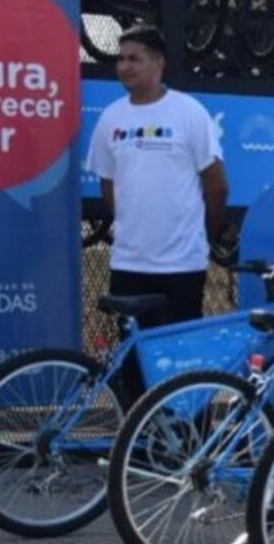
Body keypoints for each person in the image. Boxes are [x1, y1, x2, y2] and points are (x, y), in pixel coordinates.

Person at [86, 24, 229, 326]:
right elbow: (108, 183)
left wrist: (202, 236)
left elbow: (217, 186)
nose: (124, 67)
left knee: (179, 362)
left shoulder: (189, 112)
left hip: (182, 265)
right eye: (121, 59)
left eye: (134, 59)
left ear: (158, 62)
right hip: (129, 262)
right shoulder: (110, 117)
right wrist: (129, 224)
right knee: (133, 360)